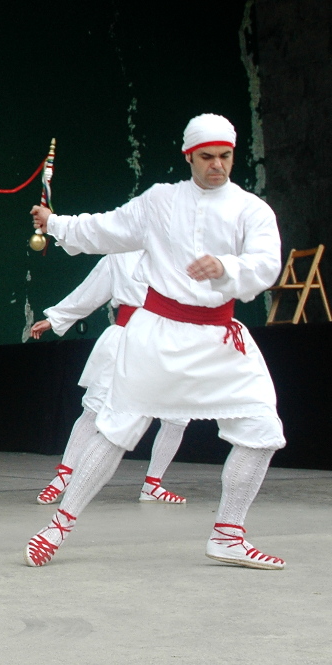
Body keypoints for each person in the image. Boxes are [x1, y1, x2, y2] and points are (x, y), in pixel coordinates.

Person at [25, 113, 286, 570]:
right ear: (189, 156)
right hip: (156, 337)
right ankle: (58, 526)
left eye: (225, 156)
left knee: (263, 429)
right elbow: (104, 229)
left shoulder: (252, 209)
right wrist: (56, 222)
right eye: (207, 157)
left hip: (221, 338)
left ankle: (228, 534)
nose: (217, 166)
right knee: (117, 429)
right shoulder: (159, 202)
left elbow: (266, 266)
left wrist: (228, 269)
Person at [30, 250, 188, 505]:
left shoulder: (180, 254)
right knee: (94, 408)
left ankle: (153, 485)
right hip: (125, 338)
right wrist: (56, 318)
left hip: (168, 341)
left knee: (177, 417)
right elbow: (89, 291)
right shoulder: (119, 256)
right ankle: (64, 476)